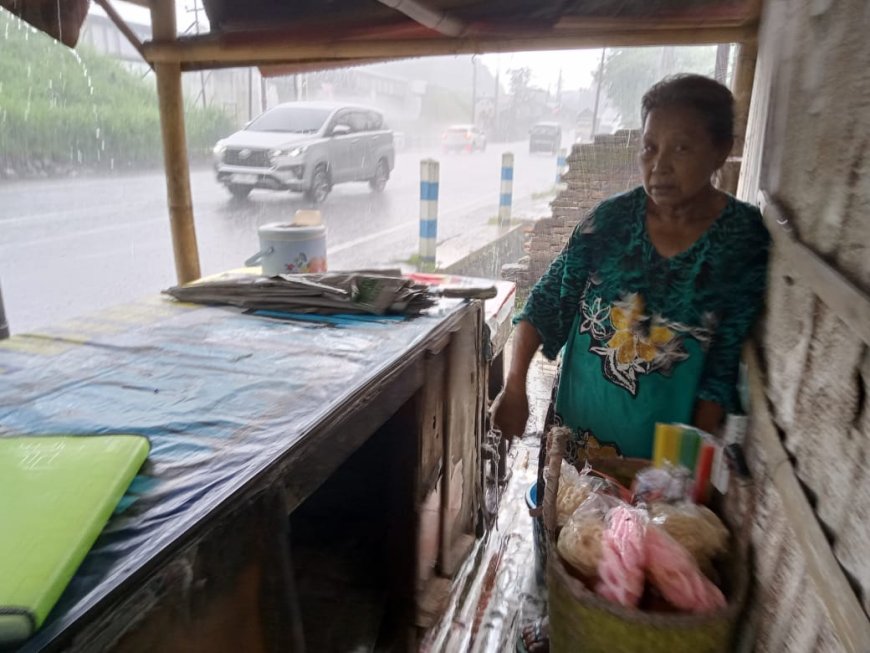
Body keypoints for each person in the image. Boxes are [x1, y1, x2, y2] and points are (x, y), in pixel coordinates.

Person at [492, 74, 770, 653]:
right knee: (566, 552)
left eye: (682, 148)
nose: (659, 165)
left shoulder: (742, 238)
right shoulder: (608, 223)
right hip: (575, 449)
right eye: (649, 147)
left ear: (722, 150)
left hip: (661, 469)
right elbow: (543, 306)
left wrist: (688, 477)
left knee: (637, 590)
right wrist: (513, 385)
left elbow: (721, 366)